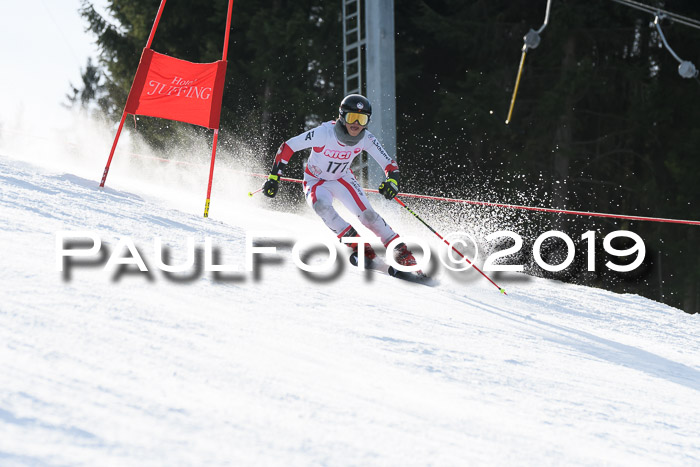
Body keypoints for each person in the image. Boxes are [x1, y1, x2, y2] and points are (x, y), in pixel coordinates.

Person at [261, 94, 417, 267]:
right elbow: (288, 147)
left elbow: (390, 164)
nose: (356, 124)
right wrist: (274, 177)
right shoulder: (324, 133)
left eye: (362, 119)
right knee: (322, 206)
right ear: (342, 116)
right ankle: (362, 249)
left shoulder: (366, 139)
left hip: (343, 179)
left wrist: (392, 182)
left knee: (369, 216)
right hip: (316, 182)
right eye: (352, 117)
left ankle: (403, 254)